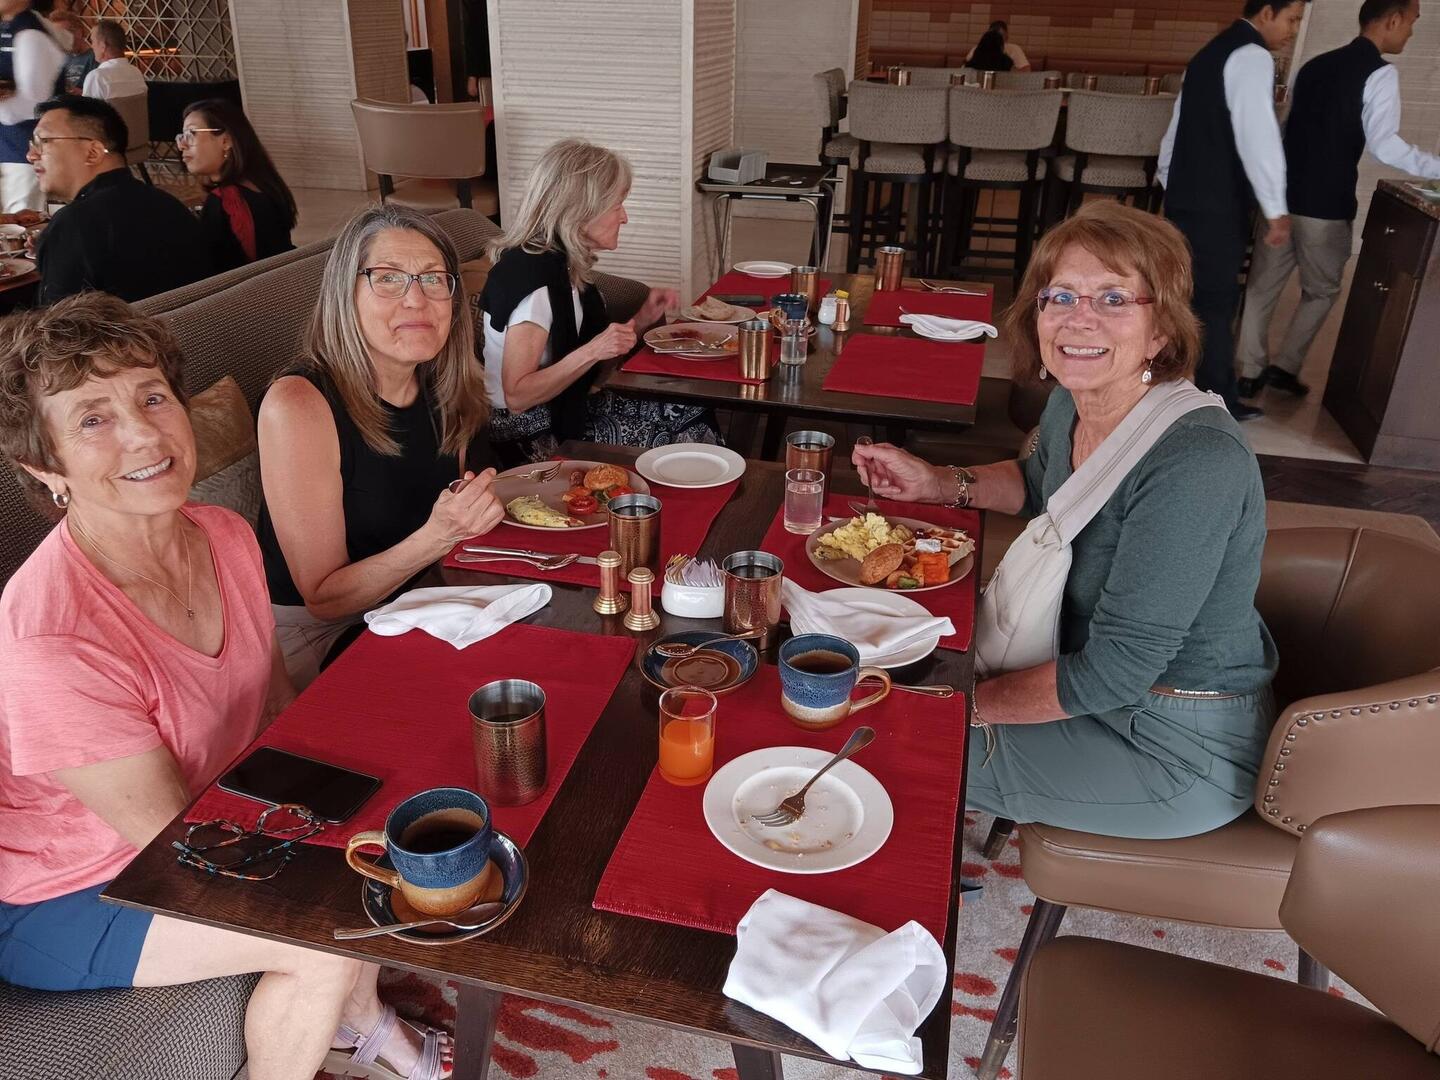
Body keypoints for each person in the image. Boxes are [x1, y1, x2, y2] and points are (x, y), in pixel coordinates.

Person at [0, 293, 453, 1080]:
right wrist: (323, 865)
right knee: (317, 930)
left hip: (204, 810)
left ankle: (351, 1023)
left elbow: (276, 712)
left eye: (153, 397)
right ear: (46, 468)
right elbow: (170, 842)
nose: (145, 434)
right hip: (73, 891)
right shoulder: (53, 635)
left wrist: (349, 796)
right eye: (93, 419)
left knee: (397, 799)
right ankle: (357, 1021)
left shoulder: (225, 535)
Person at [852, 201, 1276, 840]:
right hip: (1079, 676)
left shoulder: (1194, 462)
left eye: (1114, 299)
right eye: (1061, 296)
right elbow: (1042, 484)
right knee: (859, 665)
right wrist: (937, 482)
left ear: (1161, 331)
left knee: (881, 738)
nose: (1080, 318)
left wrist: (960, 703)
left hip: (1173, 742)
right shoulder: (1072, 403)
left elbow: (1116, 671)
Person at [257, 204, 503, 688]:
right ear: (344, 295)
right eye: (388, 278)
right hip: (321, 637)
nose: (417, 300)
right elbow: (323, 598)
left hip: (420, 599)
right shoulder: (298, 404)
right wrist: (440, 535)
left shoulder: (445, 384)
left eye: (433, 279)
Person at [1237, 0, 1440, 400]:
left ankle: (1248, 372)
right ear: (1393, 20)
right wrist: (1435, 165)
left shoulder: (1313, 66)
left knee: (1260, 288)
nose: (1410, 32)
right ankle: (1285, 367)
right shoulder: (1380, 73)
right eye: (1411, 23)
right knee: (1322, 290)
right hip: (1326, 205)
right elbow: (1385, 145)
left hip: (1280, 198)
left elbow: (1285, 129)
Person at [481, 138, 719, 465]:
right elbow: (518, 395)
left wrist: (641, 320)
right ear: (581, 212)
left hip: (564, 406)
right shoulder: (534, 284)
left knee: (693, 409)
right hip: (527, 430)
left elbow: (590, 360)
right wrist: (594, 349)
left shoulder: (563, 266)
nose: (625, 217)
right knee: (686, 428)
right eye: (617, 205)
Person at [1158, 0, 1310, 422]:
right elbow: (1257, 134)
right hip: (1218, 201)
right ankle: (1215, 396)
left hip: (1188, 197)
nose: (1293, 30)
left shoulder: (1209, 52)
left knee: (1187, 295)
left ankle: (1181, 386)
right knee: (1215, 299)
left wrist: (1170, 179)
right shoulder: (1252, 55)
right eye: (1291, 19)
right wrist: (1276, 207)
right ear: (1266, 13)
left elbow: (1176, 127)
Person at [30, 95, 211, 302]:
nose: (31, 155)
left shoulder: (74, 223)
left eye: (43, 141)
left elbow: (59, 321)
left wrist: (59, 243)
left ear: (93, 152)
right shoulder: (169, 205)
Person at [180, 98, 297, 271]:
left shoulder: (226, 200)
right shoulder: (264, 184)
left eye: (191, 134)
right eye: (181, 136)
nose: (182, 145)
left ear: (225, 141)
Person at [0, 0, 64, 212]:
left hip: (23, 152)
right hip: (8, 147)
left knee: (21, 222)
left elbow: (35, 104)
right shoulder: (9, 28)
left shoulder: (31, 34)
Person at [80, 18, 144, 100]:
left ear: (103, 46)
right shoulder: (136, 73)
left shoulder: (97, 77)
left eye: (92, 41)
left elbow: (87, 108)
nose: (92, 46)